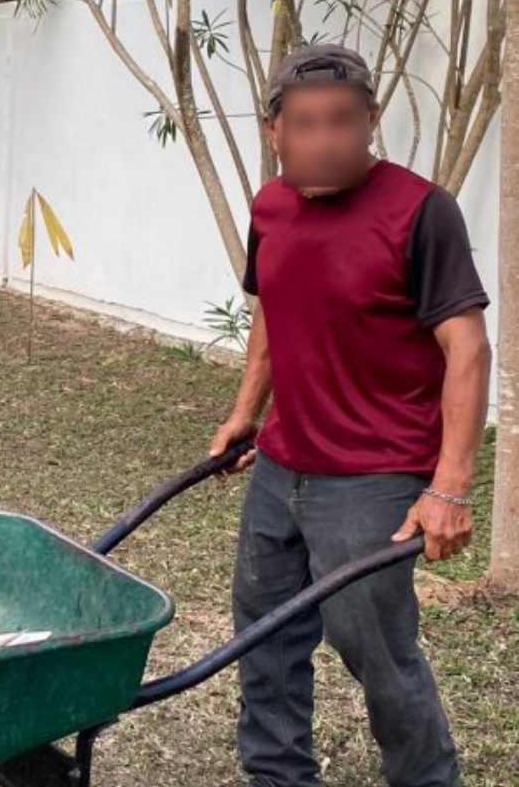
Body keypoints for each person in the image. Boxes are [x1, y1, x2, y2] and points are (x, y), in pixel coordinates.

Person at [208, 44, 492, 787]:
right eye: (303, 123)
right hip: (281, 467)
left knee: (377, 655)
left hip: (371, 480)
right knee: (263, 641)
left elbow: (466, 347)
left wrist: (449, 486)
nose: (323, 138)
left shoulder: (418, 211)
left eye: (342, 120)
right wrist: (247, 412)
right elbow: (272, 303)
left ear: (369, 120)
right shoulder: (269, 205)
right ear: (274, 130)